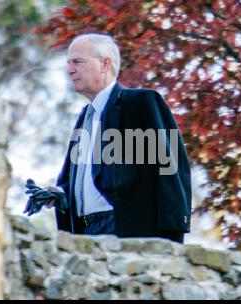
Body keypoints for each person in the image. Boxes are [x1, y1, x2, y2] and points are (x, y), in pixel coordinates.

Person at [46, 33, 191, 243]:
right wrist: (58, 194)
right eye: (69, 63)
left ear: (105, 64)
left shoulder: (139, 103)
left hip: (127, 230)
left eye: (77, 62)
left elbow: (169, 168)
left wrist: (173, 232)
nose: (70, 70)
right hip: (84, 234)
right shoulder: (84, 117)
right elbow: (81, 179)